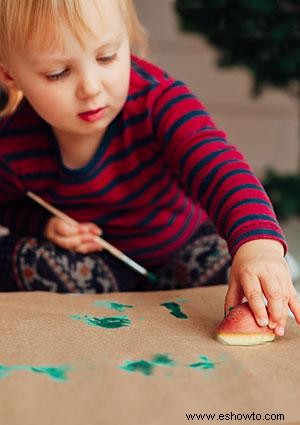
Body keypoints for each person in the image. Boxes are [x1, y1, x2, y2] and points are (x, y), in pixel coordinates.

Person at [0, 0, 299, 337]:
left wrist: (259, 246)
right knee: (21, 257)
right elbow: (7, 206)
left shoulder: (159, 102)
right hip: (99, 268)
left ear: (127, 41)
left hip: (182, 248)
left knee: (229, 267)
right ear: (10, 74)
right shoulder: (13, 139)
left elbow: (221, 169)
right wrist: (44, 224)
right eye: (58, 73)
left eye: (107, 57)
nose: (91, 88)